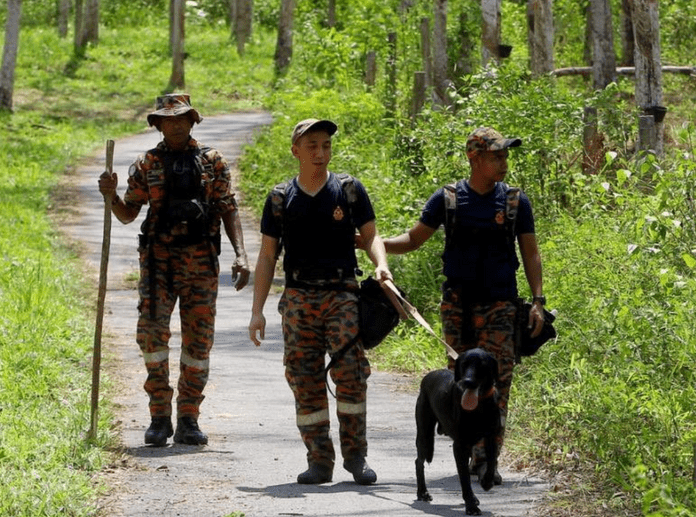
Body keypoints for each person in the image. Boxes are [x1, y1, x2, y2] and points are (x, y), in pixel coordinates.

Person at [382, 126, 545, 483]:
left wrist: (537, 301)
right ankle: (471, 448)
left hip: (501, 307)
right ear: (475, 158)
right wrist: (374, 244)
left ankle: (488, 459)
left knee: (497, 383)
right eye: (496, 156)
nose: (503, 163)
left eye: (505, 156)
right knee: (464, 383)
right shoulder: (449, 199)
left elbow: (531, 253)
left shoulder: (516, 201)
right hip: (457, 308)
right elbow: (412, 239)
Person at [98, 93, 250, 447]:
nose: (176, 124)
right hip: (157, 266)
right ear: (158, 124)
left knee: (198, 342)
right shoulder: (147, 163)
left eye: (182, 118)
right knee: (152, 338)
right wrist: (110, 194)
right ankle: (159, 416)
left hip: (201, 265)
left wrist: (241, 254)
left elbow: (228, 208)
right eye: (168, 119)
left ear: (193, 120)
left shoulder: (212, 161)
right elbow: (127, 214)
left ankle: (189, 418)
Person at [248, 119, 393, 485]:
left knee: (351, 374)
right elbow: (267, 257)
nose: (320, 152)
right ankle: (318, 460)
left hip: (342, 295)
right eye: (312, 145)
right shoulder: (281, 198)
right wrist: (257, 311)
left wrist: (382, 267)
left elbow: (372, 235)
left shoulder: (349, 190)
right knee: (304, 378)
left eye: (326, 145)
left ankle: (356, 457)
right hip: (298, 298)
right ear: (296, 150)